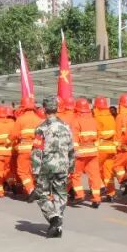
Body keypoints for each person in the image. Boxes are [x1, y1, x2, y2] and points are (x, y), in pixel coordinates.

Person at [32, 97, 74, 238]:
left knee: (41, 194)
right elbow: (71, 149)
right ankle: (58, 228)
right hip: (63, 166)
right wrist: (71, 167)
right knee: (60, 195)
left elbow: (37, 151)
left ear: (44, 109)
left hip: (47, 166)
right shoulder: (66, 126)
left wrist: (35, 170)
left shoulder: (41, 128)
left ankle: (53, 218)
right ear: (56, 109)